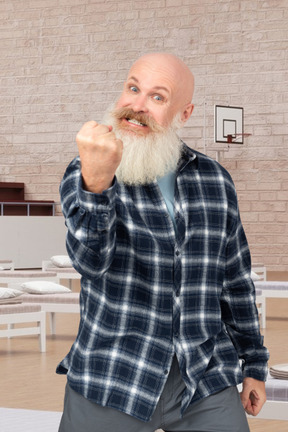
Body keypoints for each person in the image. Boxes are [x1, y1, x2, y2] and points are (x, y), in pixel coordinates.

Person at [57, 53, 269, 432]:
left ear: (184, 114)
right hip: (113, 376)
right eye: (133, 88)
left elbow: (235, 279)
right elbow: (89, 262)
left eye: (157, 97)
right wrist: (97, 185)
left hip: (204, 376)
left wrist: (253, 364)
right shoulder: (87, 169)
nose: (136, 106)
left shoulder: (215, 180)